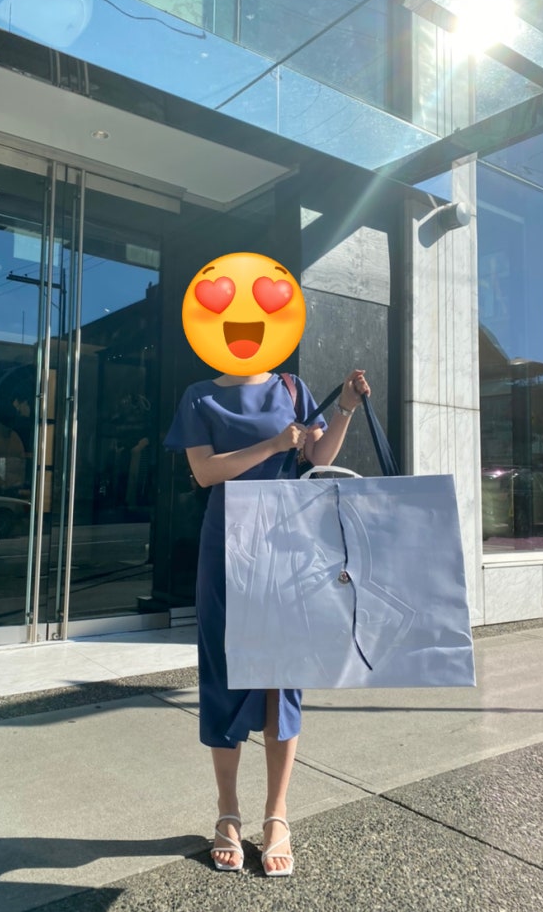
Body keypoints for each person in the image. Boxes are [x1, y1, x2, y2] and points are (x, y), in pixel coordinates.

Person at [164, 366, 370, 877]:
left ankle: (277, 814)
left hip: (286, 541)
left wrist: (344, 408)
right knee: (224, 671)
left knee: (284, 673)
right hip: (227, 541)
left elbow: (319, 457)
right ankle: (227, 812)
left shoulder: (291, 388)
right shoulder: (199, 395)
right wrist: (275, 443)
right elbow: (205, 472)